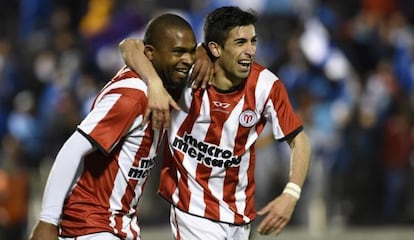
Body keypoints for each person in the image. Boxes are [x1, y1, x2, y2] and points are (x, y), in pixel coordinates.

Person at [120, 6, 311, 239]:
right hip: (192, 211)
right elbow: (129, 46)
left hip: (239, 215)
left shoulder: (266, 86)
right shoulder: (185, 72)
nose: (250, 50)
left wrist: (291, 194)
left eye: (253, 41)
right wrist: (155, 83)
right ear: (215, 48)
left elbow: (300, 141)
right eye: (240, 42)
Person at [29, 13, 211, 240]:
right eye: (178, 52)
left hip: (116, 224)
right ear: (151, 54)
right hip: (91, 226)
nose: (187, 59)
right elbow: (73, 148)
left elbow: (131, 46)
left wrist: (202, 51)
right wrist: (47, 221)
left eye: (190, 51)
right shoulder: (132, 96)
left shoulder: (166, 82)